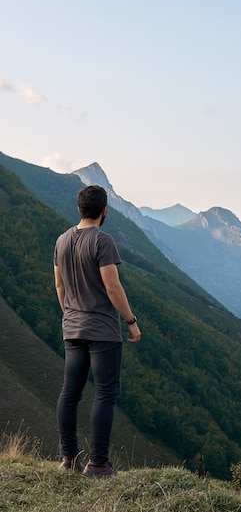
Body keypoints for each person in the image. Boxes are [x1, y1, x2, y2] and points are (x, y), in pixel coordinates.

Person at [54, 184, 141, 478]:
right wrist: (130, 320)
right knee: (105, 393)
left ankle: (68, 459)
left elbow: (59, 286)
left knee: (70, 392)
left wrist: (70, 315)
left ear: (79, 209)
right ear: (104, 211)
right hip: (102, 329)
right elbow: (112, 287)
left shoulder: (62, 240)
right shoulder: (103, 241)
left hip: (73, 327)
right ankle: (98, 464)